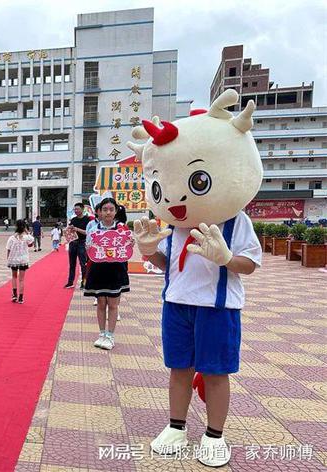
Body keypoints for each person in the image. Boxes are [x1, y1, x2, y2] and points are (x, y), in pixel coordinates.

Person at [130, 89, 263, 467]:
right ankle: (176, 426)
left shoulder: (235, 220)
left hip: (217, 308)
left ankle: (214, 436)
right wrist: (147, 250)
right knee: (179, 370)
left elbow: (249, 264)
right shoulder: (176, 226)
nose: (172, 198)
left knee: (216, 372)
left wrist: (225, 258)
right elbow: (167, 262)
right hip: (176, 305)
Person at [84, 198, 130, 350]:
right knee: (101, 303)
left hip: (116, 270)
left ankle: (110, 336)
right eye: (105, 209)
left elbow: (128, 248)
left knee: (113, 304)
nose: (108, 212)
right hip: (98, 269)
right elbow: (89, 250)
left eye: (111, 209)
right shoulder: (93, 229)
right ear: (99, 211)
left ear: (116, 211)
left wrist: (130, 243)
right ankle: (102, 334)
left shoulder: (122, 229)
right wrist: (88, 247)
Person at [6, 219, 34, 303]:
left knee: (14, 277)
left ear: (16, 226)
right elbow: (31, 244)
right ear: (24, 227)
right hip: (23, 260)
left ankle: (14, 295)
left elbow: (8, 250)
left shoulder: (11, 238)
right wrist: (27, 232)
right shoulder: (26, 237)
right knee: (21, 279)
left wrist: (8, 260)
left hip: (13, 260)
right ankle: (21, 298)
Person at [64, 202, 90, 289]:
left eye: (77, 209)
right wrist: (68, 230)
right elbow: (70, 231)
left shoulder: (87, 220)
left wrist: (77, 229)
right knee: (72, 264)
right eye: (74, 209)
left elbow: (88, 233)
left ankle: (84, 282)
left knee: (83, 264)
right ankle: (70, 282)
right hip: (73, 243)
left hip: (82, 243)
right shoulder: (73, 220)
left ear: (82, 209)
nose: (76, 211)